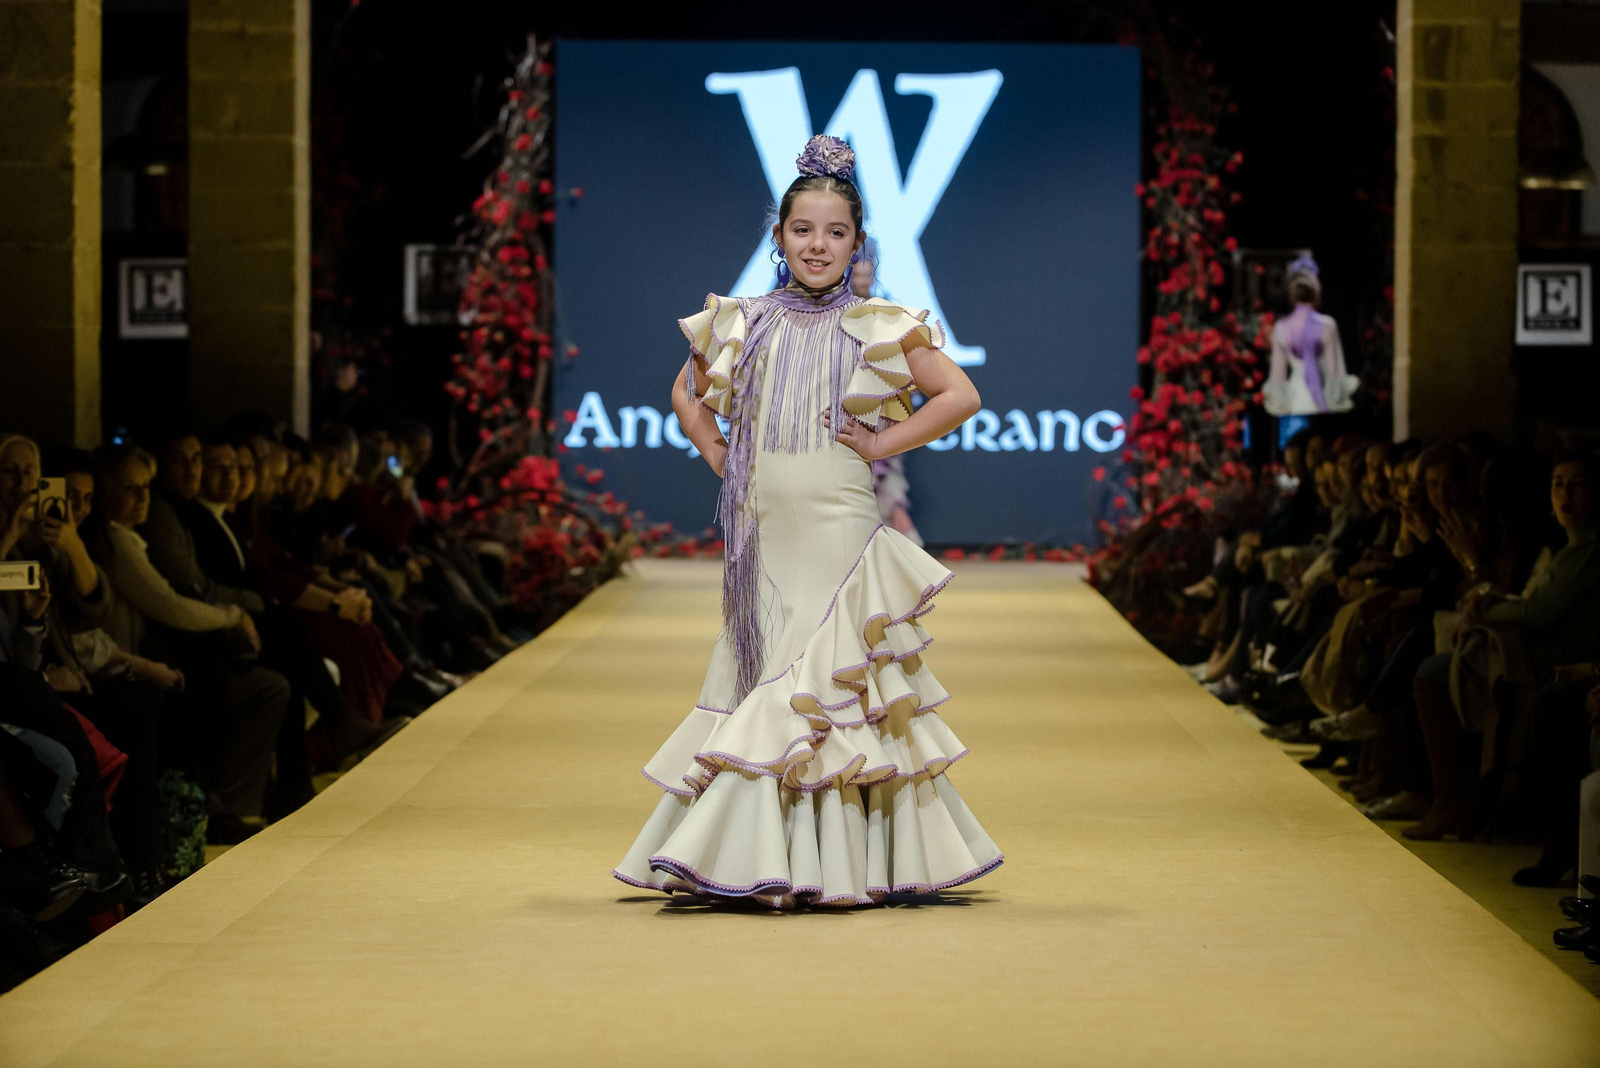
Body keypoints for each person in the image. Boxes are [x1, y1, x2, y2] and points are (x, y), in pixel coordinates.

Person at [611, 136, 1002, 906]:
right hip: (760, 533)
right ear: (779, 238)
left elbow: (960, 395)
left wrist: (884, 440)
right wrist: (721, 454)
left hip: (837, 529)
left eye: (835, 232)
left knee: (817, 682)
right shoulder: (742, 321)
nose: (817, 244)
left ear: (858, 244)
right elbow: (686, 395)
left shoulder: (878, 324)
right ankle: (770, 851)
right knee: (764, 675)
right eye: (802, 230)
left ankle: (806, 857)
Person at [1262, 257, 1358, 417]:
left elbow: (1278, 378)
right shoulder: (1327, 325)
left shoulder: (1282, 327)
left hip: (1295, 402)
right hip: (1321, 401)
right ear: (1316, 292)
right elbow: (1334, 374)